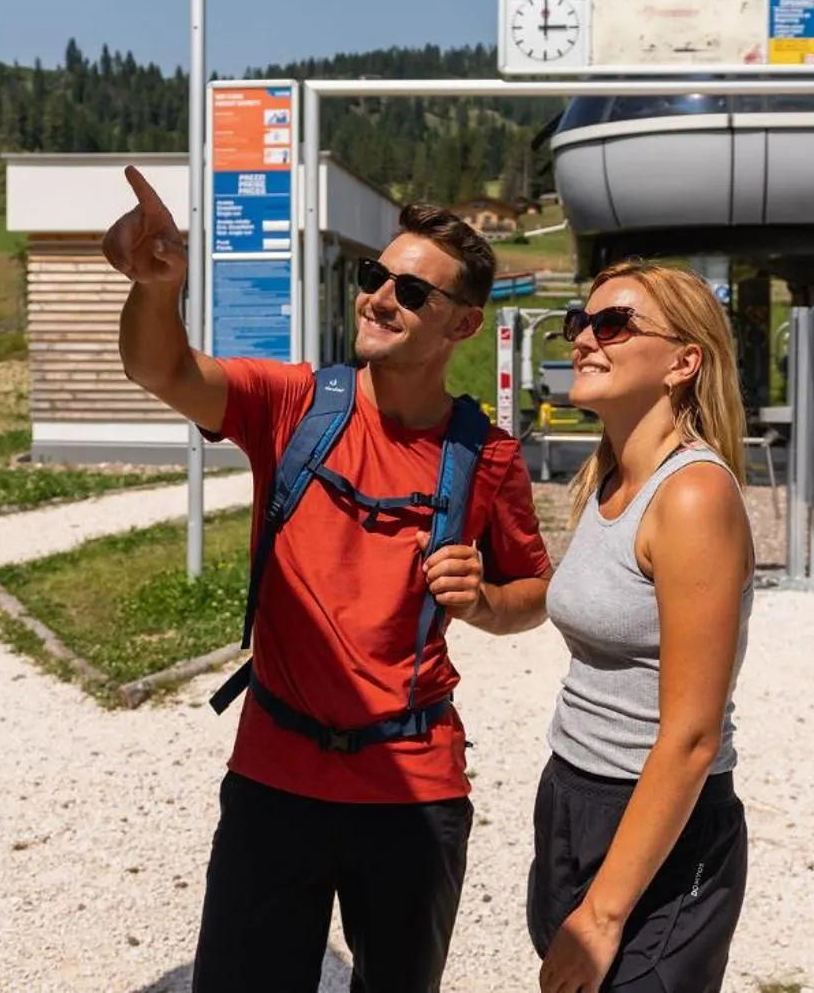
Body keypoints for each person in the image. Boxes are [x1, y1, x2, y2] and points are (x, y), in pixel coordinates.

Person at [102, 165, 552, 993]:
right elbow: (159, 370)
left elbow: (534, 593)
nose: (380, 297)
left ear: (463, 323)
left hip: (414, 786)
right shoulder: (294, 403)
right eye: (374, 276)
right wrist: (157, 289)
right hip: (275, 775)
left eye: (411, 291)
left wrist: (486, 601)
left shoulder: (487, 457)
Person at [529, 259, 755, 993]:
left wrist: (602, 913)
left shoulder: (691, 495)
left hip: (660, 822)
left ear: (684, 361)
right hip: (573, 794)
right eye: (579, 323)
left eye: (614, 323)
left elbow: (691, 737)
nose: (585, 340)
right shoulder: (607, 477)